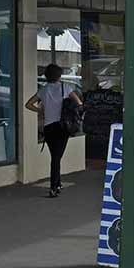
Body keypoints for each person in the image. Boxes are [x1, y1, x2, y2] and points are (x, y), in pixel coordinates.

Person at [25, 63, 82, 198]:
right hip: (63, 126)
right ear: (59, 75)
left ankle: (57, 183)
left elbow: (28, 104)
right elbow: (79, 103)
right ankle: (53, 187)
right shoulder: (66, 88)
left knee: (55, 156)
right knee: (57, 157)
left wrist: (41, 110)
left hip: (49, 127)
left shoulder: (43, 90)